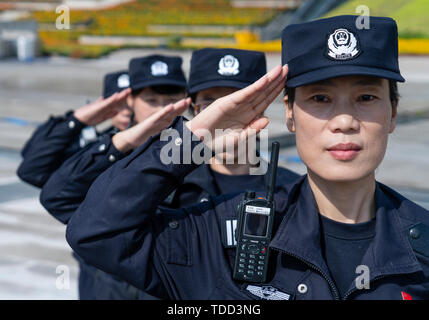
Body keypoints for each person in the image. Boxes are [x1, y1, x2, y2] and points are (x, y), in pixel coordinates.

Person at [66, 15, 429, 300]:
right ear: (289, 113)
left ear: (393, 113)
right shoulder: (222, 235)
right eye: (320, 98)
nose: (345, 121)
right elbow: (97, 232)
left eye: (366, 98)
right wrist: (192, 140)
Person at [40, 54, 188, 299]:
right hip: (104, 287)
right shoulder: (107, 153)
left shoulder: (198, 157)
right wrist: (83, 122)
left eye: (172, 100)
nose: (164, 109)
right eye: (151, 100)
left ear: (186, 99)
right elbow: (52, 193)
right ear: (130, 100)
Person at [16, 70, 131, 188]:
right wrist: (76, 121)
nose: (126, 112)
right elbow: (31, 171)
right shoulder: (100, 143)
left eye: (132, 103)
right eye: (118, 104)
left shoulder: (148, 149)